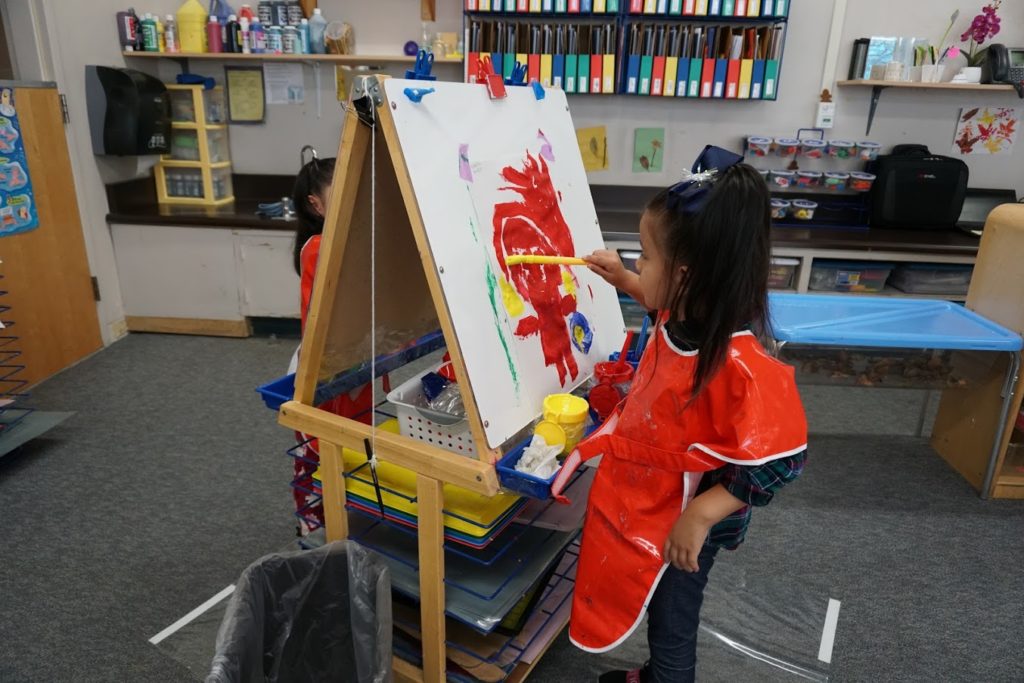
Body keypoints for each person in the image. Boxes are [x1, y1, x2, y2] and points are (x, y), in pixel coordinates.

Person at [550, 146, 808, 683]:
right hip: (655, 494)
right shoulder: (686, 305)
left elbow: (781, 462)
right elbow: (655, 299)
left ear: (686, 273)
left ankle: (666, 677)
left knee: (672, 617)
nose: (639, 264)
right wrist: (623, 278)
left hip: (694, 518)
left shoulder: (741, 363)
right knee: (650, 592)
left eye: (644, 256)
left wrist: (701, 515)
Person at [289, 154, 374, 536]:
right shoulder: (319, 246)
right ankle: (314, 529)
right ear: (316, 204)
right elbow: (325, 326)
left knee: (359, 447)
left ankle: (350, 518)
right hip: (325, 371)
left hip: (359, 366)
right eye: (339, 195)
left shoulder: (353, 241)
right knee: (318, 452)